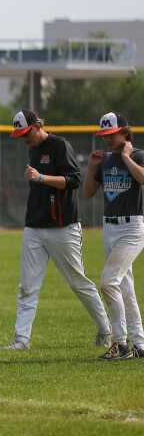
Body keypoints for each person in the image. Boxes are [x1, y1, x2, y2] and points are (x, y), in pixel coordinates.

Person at [0, 109, 111, 351]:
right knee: (27, 286)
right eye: (19, 135)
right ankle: (21, 339)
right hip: (34, 225)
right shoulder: (32, 148)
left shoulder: (60, 145)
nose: (23, 138)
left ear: (38, 125)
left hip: (63, 226)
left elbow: (74, 180)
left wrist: (41, 177)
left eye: (26, 133)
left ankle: (105, 328)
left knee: (77, 282)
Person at [83, 112, 144, 360]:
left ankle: (120, 342)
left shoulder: (137, 155)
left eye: (111, 134)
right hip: (109, 228)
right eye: (104, 135)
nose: (107, 139)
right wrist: (91, 167)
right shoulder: (105, 161)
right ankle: (139, 344)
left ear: (124, 133)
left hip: (132, 228)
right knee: (125, 289)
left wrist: (127, 157)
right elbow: (87, 193)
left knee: (108, 282)